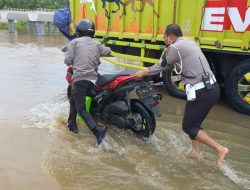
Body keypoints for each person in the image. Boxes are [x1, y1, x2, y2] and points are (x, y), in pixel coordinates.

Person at [132, 24, 228, 168]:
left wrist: (143, 72)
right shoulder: (189, 42)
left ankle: (220, 149)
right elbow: (172, 65)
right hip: (211, 89)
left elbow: (161, 66)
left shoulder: (174, 48)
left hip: (202, 91)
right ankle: (195, 152)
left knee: (189, 127)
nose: (164, 41)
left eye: (164, 38)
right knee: (194, 121)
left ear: (170, 37)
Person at [64, 19, 111, 145]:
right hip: (93, 80)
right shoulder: (96, 44)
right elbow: (107, 51)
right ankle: (71, 125)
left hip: (80, 79)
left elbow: (67, 61)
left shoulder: (74, 42)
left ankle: (97, 130)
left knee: (81, 109)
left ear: (78, 31)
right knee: (74, 97)